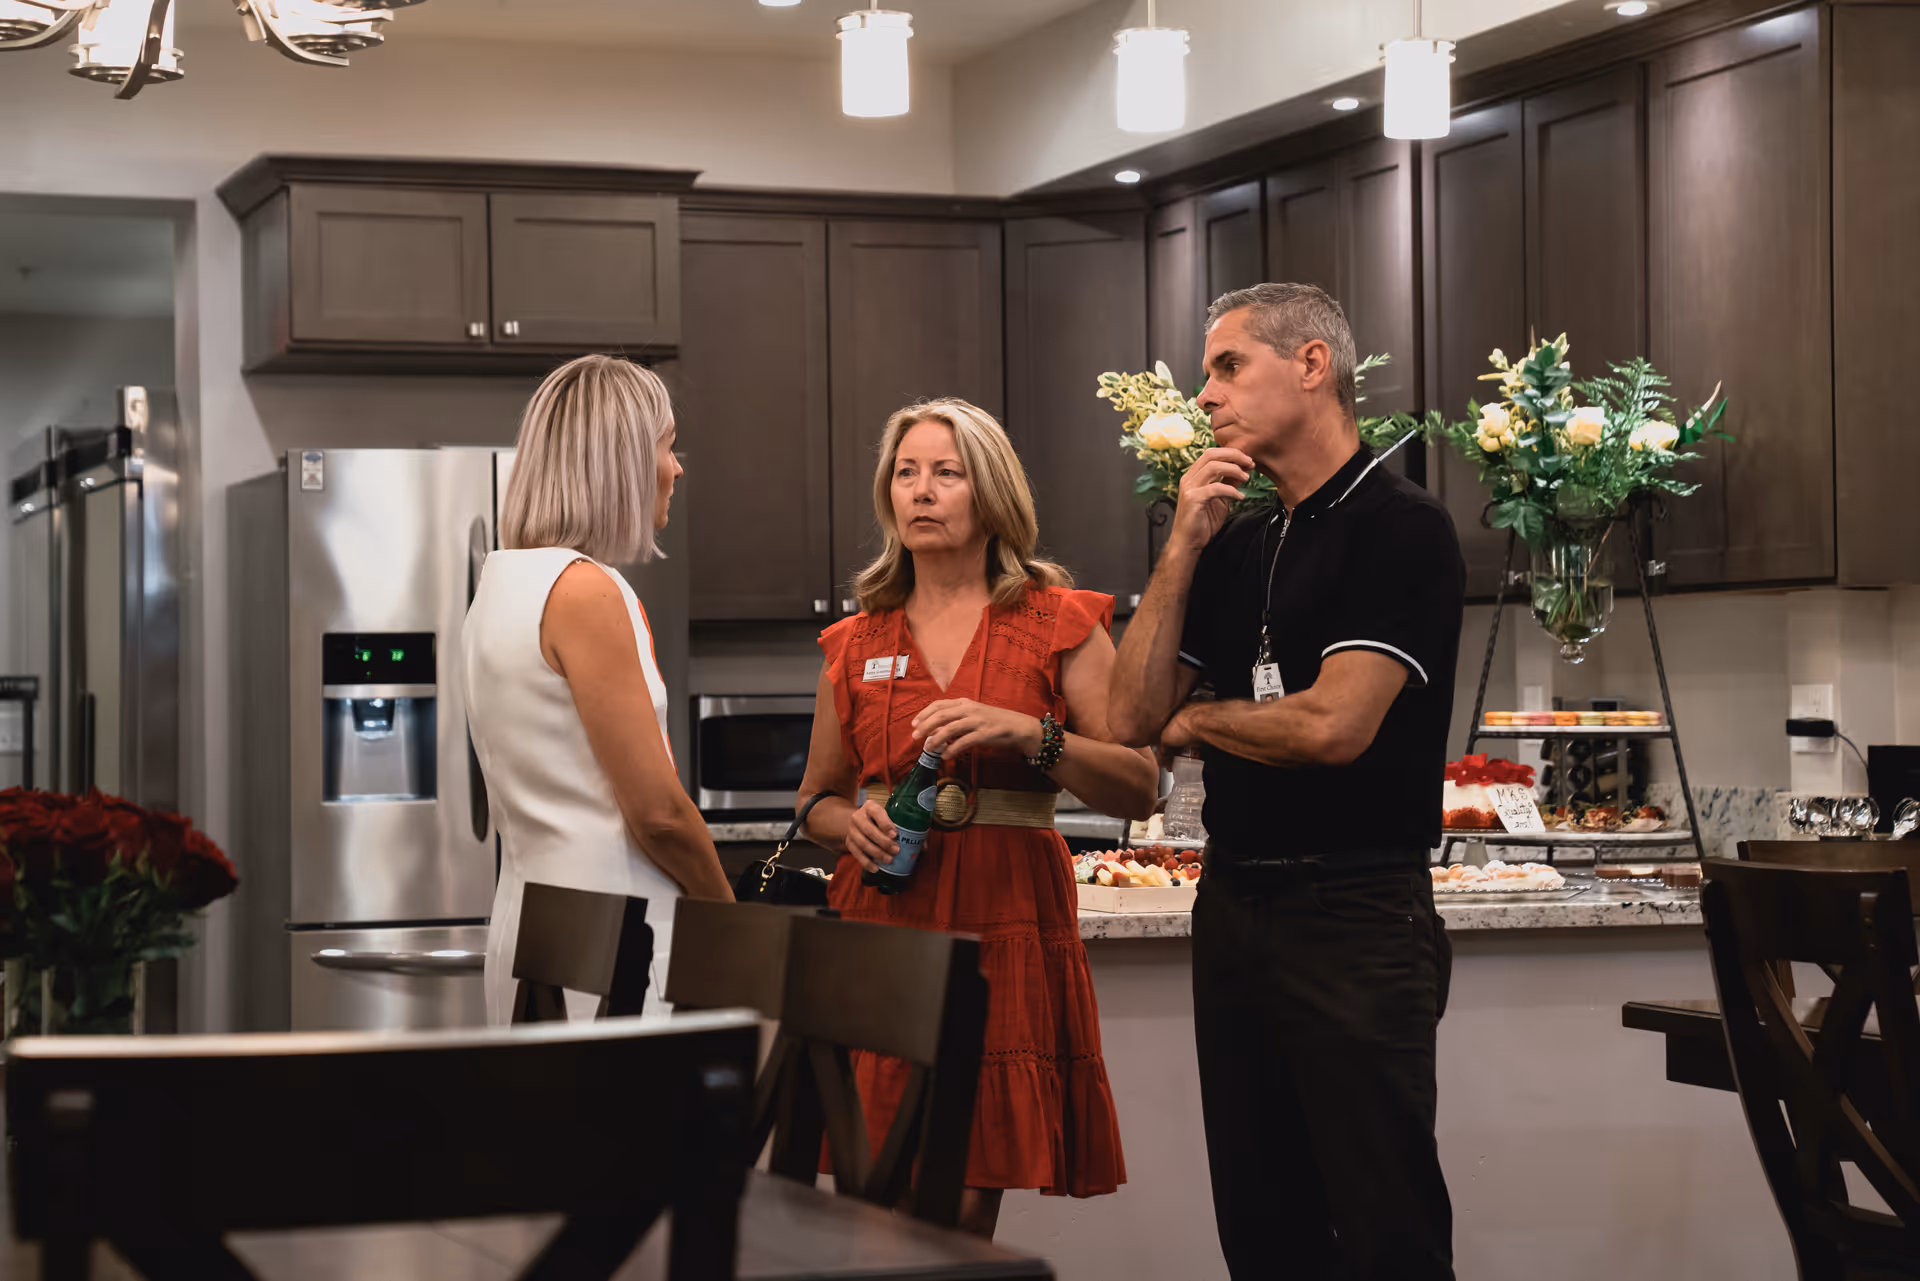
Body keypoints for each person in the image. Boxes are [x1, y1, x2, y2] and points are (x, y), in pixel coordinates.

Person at [1109, 283, 1465, 1280]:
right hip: (1234, 904)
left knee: (1381, 1225)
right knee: (1263, 1230)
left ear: (1312, 365)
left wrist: (1198, 723)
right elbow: (1128, 717)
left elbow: (1332, 726)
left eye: (1228, 366)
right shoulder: (1234, 545)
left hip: (1355, 910)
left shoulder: (1401, 528)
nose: (1206, 394)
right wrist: (1181, 544)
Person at [796, 398, 1157, 1237]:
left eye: (945, 472)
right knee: (868, 1196)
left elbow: (1139, 786)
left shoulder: (1058, 621)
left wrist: (1031, 733)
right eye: (906, 472)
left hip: (1006, 916)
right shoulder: (853, 640)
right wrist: (845, 825)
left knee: (961, 1201)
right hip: (881, 915)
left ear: (989, 493)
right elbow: (815, 799)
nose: (921, 490)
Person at [465, 354, 732, 1025]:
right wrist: (727, 920)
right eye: (667, 446)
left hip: (531, 933)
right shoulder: (587, 590)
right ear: (620, 461)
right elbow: (658, 814)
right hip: (616, 945)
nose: (678, 467)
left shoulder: (499, 584)